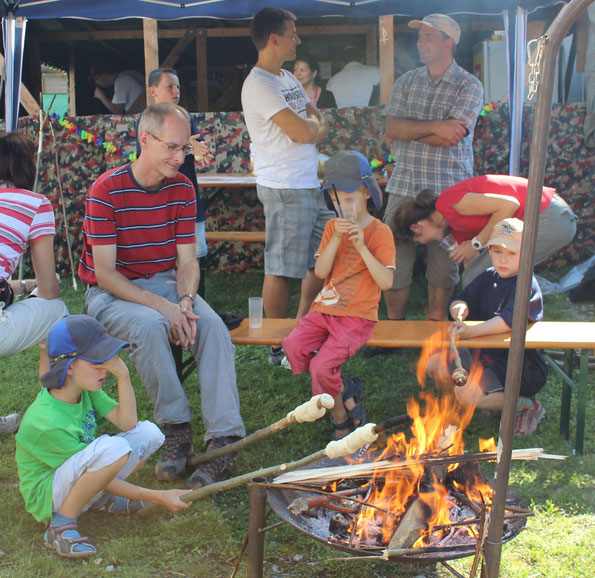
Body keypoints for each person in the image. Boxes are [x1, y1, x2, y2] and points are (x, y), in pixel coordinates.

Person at [78, 102, 245, 488]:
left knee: (214, 329)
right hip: (111, 293)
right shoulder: (106, 190)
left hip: (168, 285)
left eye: (184, 148)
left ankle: (224, 439)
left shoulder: (183, 188)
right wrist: (166, 308)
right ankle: (176, 430)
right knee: (152, 326)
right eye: (172, 147)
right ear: (144, 140)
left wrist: (184, 303)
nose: (180, 156)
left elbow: (187, 262)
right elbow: (104, 274)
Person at [15, 315, 192, 559]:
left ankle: (101, 501)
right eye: (97, 362)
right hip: (48, 497)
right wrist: (158, 497)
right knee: (112, 449)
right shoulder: (45, 422)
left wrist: (124, 375)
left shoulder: (83, 391)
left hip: (76, 477)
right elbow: (101, 472)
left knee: (149, 433)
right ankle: (59, 526)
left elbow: (128, 422)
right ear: (69, 366)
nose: (107, 368)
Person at [241, 7, 334, 366]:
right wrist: (312, 129)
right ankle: (276, 344)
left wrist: (313, 129)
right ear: (274, 38)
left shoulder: (287, 79)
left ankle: (300, 326)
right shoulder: (259, 84)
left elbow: (315, 118)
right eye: (293, 34)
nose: (298, 39)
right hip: (284, 187)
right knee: (280, 268)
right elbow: (302, 130)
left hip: (307, 182)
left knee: (320, 259)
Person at [380, 13, 484, 328]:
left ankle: (436, 326)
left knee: (445, 262)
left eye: (428, 37)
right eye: (420, 36)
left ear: (448, 43)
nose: (420, 42)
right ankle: (395, 329)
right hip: (406, 181)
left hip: (449, 187)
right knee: (393, 255)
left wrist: (409, 129)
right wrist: (437, 126)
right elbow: (390, 127)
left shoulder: (470, 84)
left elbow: (452, 137)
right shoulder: (406, 81)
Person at [282, 151, 395, 438]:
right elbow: (320, 272)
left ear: (367, 193)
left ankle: (339, 412)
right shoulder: (332, 227)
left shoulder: (380, 232)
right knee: (293, 346)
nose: (341, 207)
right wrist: (334, 238)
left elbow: (386, 282)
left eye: (348, 199)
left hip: (357, 316)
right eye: (335, 200)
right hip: (324, 309)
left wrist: (362, 248)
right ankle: (343, 388)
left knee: (321, 366)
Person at [425, 218, 548, 436]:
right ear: (489, 251)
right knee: (435, 365)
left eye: (512, 253)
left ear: (527, 253)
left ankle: (526, 405)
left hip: (518, 365)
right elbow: (461, 299)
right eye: (498, 251)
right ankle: (483, 400)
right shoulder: (489, 275)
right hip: (484, 355)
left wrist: (471, 331)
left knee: (467, 395)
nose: (503, 259)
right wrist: (459, 309)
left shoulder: (526, 284)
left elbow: (508, 321)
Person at [392, 174, 577, 287]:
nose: (424, 243)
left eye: (417, 240)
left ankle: (489, 339)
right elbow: (475, 262)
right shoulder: (454, 229)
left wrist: (475, 245)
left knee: (480, 279)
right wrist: (471, 253)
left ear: (416, 227)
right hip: (549, 218)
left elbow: (509, 205)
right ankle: (504, 336)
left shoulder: (447, 203)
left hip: (548, 216)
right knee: (486, 278)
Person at [0, 132, 68, 435]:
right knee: (57, 310)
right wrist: (43, 285)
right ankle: (53, 411)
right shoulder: (34, 204)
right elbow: (49, 290)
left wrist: (25, 285)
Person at [136, 67, 215, 260]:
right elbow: (147, 156)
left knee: (194, 257)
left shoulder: (186, 117)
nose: (176, 91)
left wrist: (201, 153)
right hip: (157, 199)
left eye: (178, 86)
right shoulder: (146, 119)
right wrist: (188, 146)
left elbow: (200, 147)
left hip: (186, 195)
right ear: (152, 91)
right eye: (169, 86)